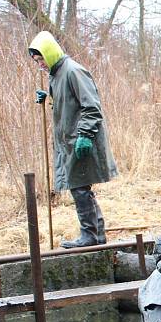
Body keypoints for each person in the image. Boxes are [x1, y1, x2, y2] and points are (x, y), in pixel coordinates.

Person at [28, 31, 117, 248]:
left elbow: (92, 107)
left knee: (79, 187)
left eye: (41, 59)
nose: (40, 64)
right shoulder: (56, 75)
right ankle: (98, 236)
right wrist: (50, 97)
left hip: (81, 142)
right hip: (70, 141)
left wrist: (85, 135)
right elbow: (70, 104)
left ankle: (90, 236)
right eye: (37, 61)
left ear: (50, 54)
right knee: (81, 187)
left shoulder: (73, 71)